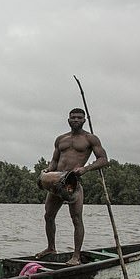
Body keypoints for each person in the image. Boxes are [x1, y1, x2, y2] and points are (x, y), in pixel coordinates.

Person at [36, 107, 109, 265]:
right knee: (48, 215)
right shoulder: (61, 139)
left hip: (73, 183)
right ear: (68, 120)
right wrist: (48, 170)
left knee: (76, 219)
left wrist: (85, 168)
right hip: (57, 181)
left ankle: (76, 256)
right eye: (73, 117)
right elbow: (55, 160)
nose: (75, 120)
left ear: (84, 120)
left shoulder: (91, 139)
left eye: (79, 117)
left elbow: (103, 159)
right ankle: (51, 248)